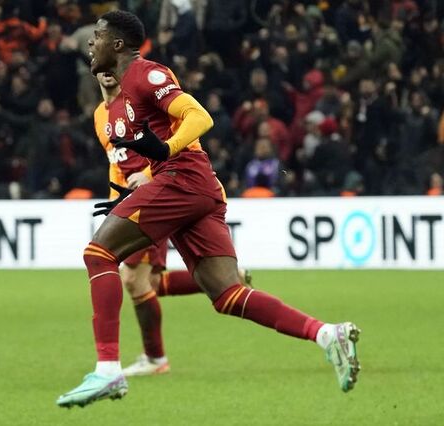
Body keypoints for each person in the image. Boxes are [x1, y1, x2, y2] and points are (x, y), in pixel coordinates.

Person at [56, 10, 361, 408]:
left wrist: (165, 151)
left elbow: (199, 116)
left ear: (117, 44)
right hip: (191, 187)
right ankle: (326, 334)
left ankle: (108, 369)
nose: (89, 43)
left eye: (96, 36)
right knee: (227, 295)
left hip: (181, 178)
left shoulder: (146, 74)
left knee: (99, 254)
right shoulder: (117, 101)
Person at [93, 71, 253, 376]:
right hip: (135, 200)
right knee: (149, 283)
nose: (107, 73)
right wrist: (116, 196)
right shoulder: (100, 115)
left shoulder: (139, 101)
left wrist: (148, 177)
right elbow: (116, 162)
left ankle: (155, 358)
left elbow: (172, 143)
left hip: (160, 194)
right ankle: (232, 279)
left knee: (133, 279)